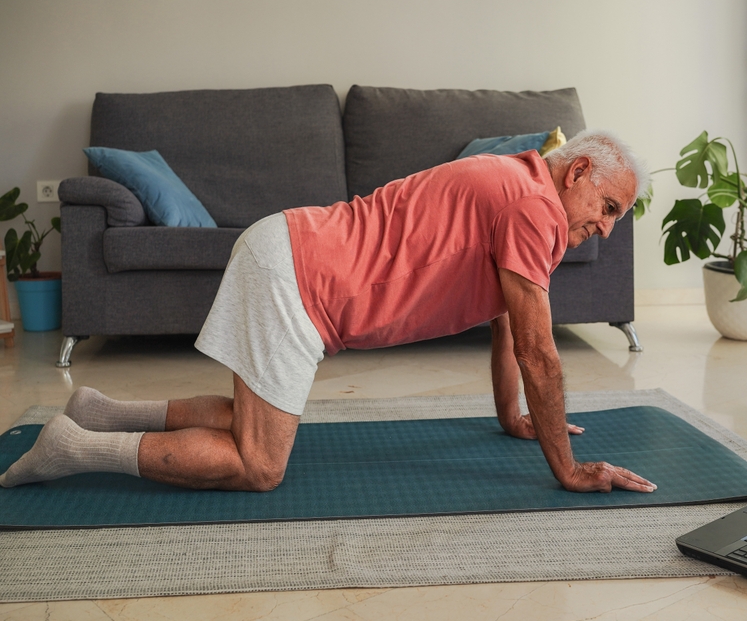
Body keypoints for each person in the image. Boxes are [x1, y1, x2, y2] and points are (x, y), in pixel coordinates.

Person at [0, 130, 656, 496]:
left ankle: (99, 411)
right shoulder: (535, 208)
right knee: (260, 463)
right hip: (299, 279)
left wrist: (511, 416)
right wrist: (565, 470)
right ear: (578, 175)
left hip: (285, 250)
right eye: (608, 209)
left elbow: (511, 326)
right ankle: (77, 446)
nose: (604, 228)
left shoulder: (517, 185)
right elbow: (541, 351)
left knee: (249, 419)